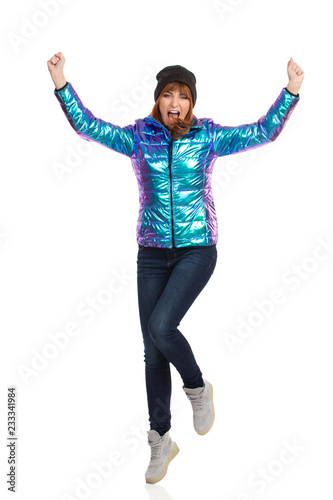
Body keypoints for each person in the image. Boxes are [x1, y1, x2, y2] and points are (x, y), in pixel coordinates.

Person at [47, 52, 304, 484]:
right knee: (152, 349)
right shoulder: (137, 137)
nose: (175, 102)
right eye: (168, 93)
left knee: (162, 326)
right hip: (150, 253)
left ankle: (197, 387)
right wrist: (61, 83)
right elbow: (89, 126)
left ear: (191, 104)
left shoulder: (207, 137)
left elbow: (263, 131)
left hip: (197, 248)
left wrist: (290, 91)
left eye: (183, 96)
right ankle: (160, 439)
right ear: (158, 100)